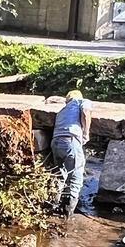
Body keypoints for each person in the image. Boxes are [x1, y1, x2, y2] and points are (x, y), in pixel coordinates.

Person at [51, 89, 93, 220]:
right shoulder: (82, 101)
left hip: (55, 143)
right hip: (70, 141)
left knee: (60, 175)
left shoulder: (62, 111)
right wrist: (86, 133)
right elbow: (86, 113)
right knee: (75, 176)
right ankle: (67, 214)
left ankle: (54, 205)